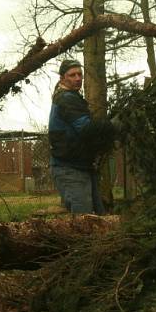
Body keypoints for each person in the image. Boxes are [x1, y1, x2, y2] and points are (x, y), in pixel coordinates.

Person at [48, 59, 115, 214]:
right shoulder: (67, 99)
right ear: (62, 78)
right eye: (72, 75)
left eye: (80, 74)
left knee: (97, 216)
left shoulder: (70, 97)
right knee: (84, 220)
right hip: (69, 169)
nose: (78, 78)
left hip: (80, 166)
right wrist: (112, 125)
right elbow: (86, 129)